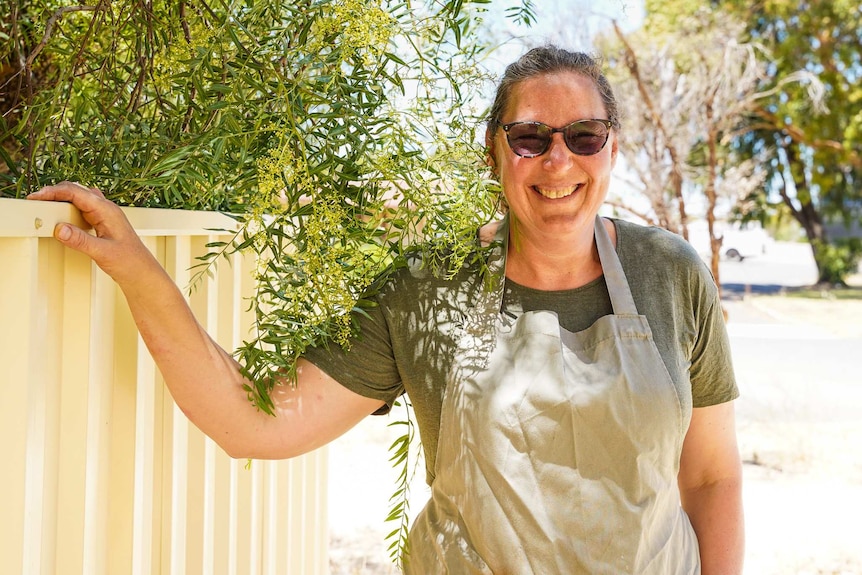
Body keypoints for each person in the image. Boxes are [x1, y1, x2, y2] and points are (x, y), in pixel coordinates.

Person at [29, 46, 743, 574]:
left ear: (611, 148)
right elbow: (252, 423)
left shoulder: (671, 275)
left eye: (583, 135)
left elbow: (711, 475)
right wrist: (138, 270)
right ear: (494, 154)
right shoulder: (424, 289)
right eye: (530, 137)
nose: (558, 161)